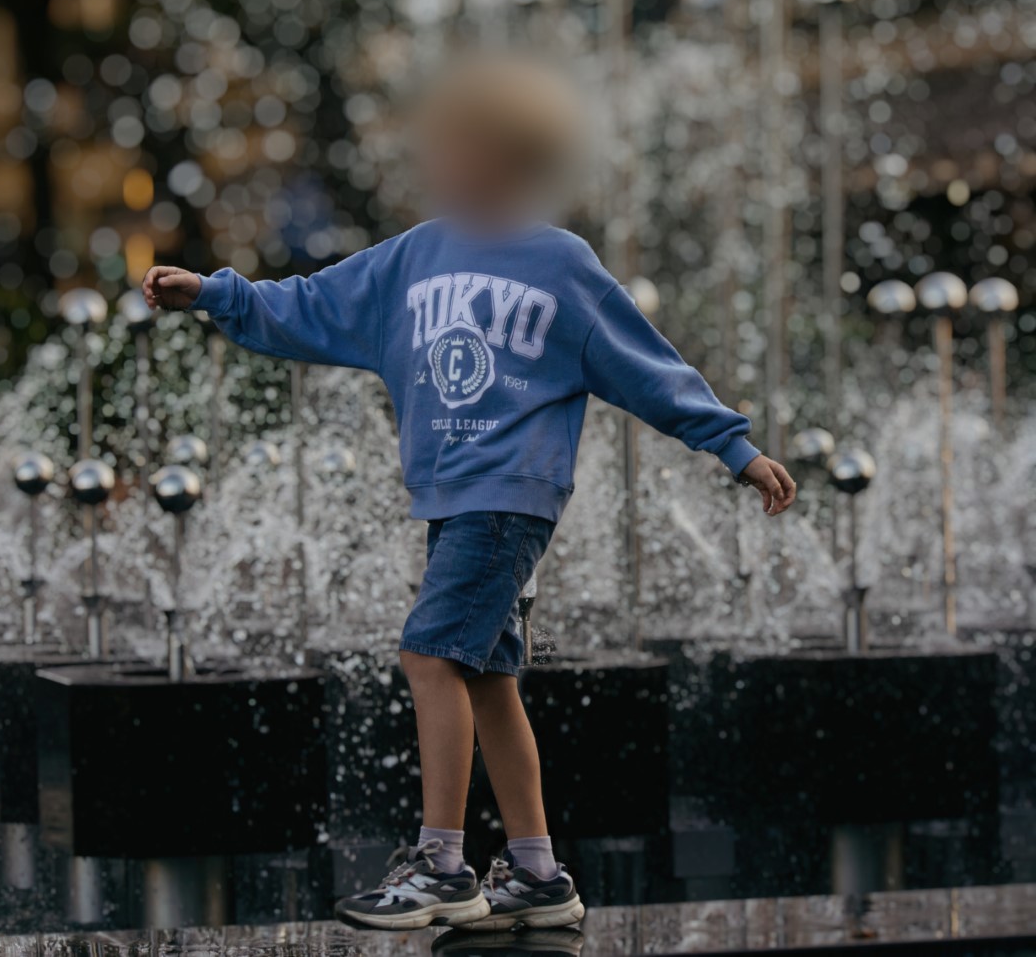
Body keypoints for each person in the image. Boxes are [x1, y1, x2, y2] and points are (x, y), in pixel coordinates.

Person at [143, 53, 796, 933]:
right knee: (487, 679)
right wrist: (214, 294)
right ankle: (536, 874)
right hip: (453, 495)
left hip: (510, 494)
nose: (439, 167)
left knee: (428, 655)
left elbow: (644, 364)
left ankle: (443, 865)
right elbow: (309, 305)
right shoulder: (413, 257)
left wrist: (732, 444)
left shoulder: (560, 264)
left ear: (512, 162)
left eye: (459, 151)